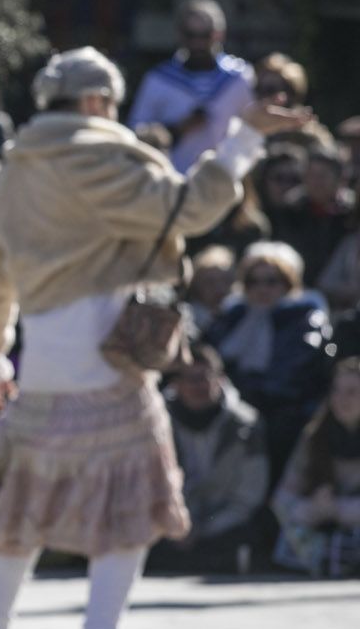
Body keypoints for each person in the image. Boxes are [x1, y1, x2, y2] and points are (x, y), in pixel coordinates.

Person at [0, 47, 306, 629]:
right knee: (128, 505)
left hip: (41, 359)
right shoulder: (100, 157)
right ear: (95, 102)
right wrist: (242, 139)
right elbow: (187, 210)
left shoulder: (9, 174)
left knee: (23, 501)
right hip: (112, 351)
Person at [206, 242, 331, 474]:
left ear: (288, 283)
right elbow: (212, 359)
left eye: (272, 281)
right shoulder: (232, 316)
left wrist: (243, 397)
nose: (262, 289)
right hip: (230, 405)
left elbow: (289, 377)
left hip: (281, 412)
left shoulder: (303, 320)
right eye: (253, 281)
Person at [150, 346, 266, 575]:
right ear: (175, 384)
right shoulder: (154, 425)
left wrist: (205, 528)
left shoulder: (246, 426)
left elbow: (250, 492)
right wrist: (178, 525)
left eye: (205, 377)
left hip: (224, 524)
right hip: (171, 525)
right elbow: (147, 486)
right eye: (190, 379)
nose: (198, 386)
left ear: (220, 379)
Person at [128, 0, 256, 172]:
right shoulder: (158, 79)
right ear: (180, 34)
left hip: (225, 179)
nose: (197, 43)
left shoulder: (240, 77)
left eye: (205, 36)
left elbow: (253, 129)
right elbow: (136, 134)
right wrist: (177, 129)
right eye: (190, 35)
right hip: (172, 180)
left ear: (219, 34)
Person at [272, 358, 360, 577]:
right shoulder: (315, 437)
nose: (342, 400)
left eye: (352, 392)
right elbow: (282, 498)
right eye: (337, 391)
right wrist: (309, 509)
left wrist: (341, 508)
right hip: (324, 530)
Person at [270, 146, 355, 280]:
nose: (315, 182)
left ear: (340, 179)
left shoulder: (351, 213)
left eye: (322, 176)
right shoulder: (289, 211)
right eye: (310, 175)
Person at [183, 245, 240, 337]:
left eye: (226, 280)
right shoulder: (187, 318)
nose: (219, 288)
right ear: (197, 284)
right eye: (210, 282)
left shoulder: (242, 314)